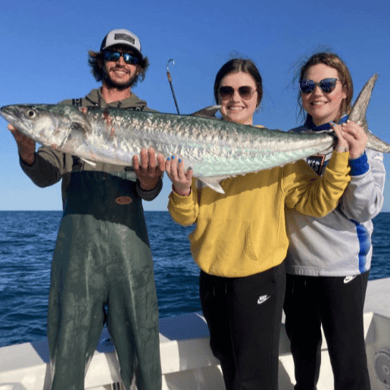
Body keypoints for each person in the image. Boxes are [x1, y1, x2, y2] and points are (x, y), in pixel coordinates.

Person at [165, 58, 363, 390]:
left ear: (257, 96)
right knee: (227, 364)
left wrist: (341, 154)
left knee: (254, 379)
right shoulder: (193, 144)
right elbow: (186, 216)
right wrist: (182, 188)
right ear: (217, 97)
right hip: (212, 278)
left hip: (258, 279)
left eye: (245, 90)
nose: (235, 98)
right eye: (226, 91)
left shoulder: (277, 149)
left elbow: (316, 202)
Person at [8, 29, 163, 390]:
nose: (121, 62)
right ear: (101, 61)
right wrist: (27, 152)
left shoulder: (151, 119)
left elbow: (151, 193)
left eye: (130, 57)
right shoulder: (70, 111)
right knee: (69, 346)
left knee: (143, 343)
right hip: (77, 248)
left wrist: (151, 180)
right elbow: (46, 174)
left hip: (130, 246)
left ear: (139, 68)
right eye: (114, 55)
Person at [283, 52, 386, 390]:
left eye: (327, 84)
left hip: (342, 269)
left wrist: (356, 161)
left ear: (344, 91)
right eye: (308, 86)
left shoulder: (365, 146)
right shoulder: (290, 141)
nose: (318, 92)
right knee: (304, 364)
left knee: (349, 366)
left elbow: (364, 209)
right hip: (294, 270)